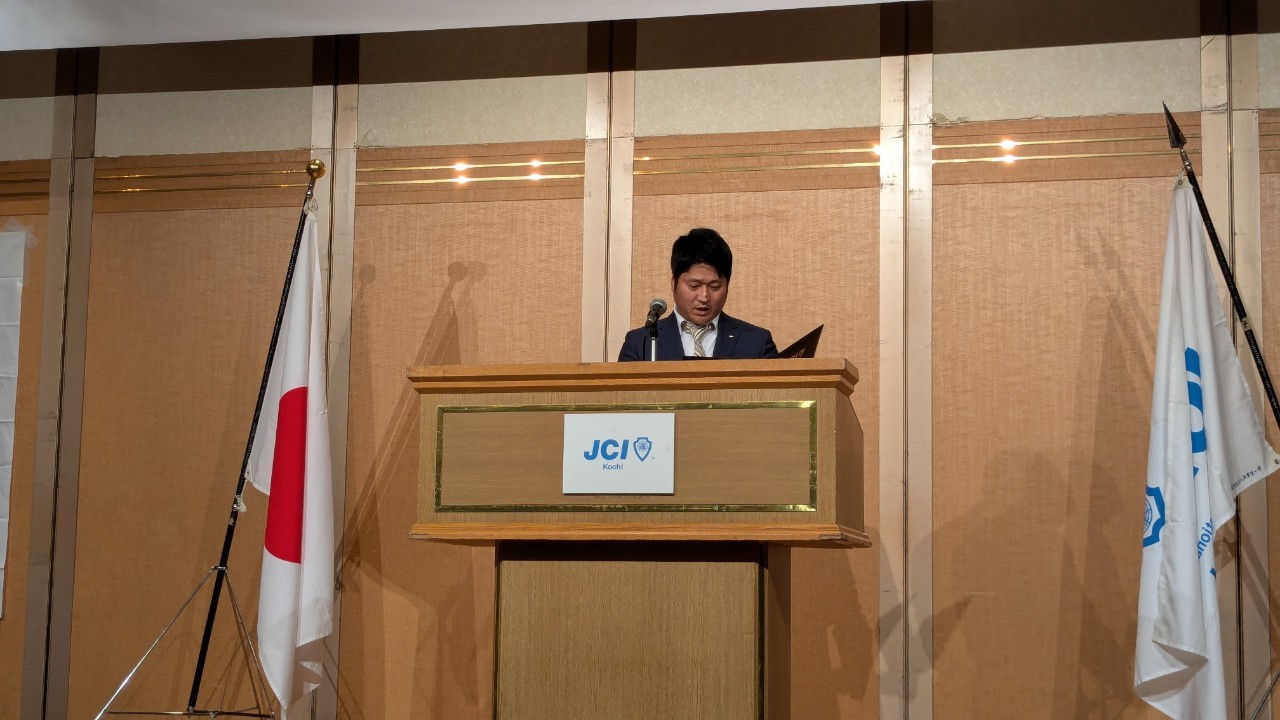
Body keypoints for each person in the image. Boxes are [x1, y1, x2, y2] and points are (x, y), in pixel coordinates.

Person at [618, 228, 777, 361]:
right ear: (674, 283)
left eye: (715, 287)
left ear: (727, 286)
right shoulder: (640, 343)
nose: (704, 297)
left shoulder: (757, 343)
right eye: (694, 286)